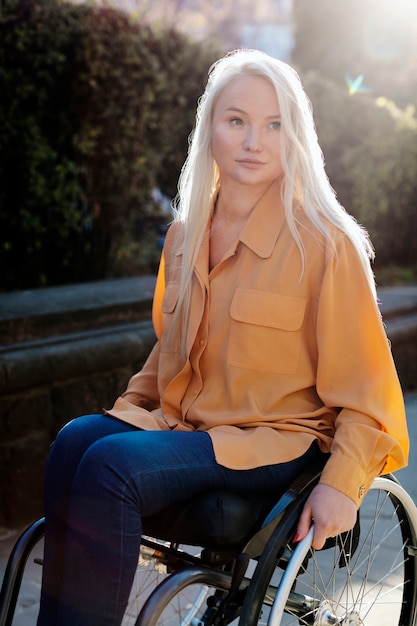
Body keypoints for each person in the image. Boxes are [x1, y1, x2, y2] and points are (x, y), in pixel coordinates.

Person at [37, 49, 409, 626]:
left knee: (110, 465)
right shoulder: (186, 234)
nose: (253, 141)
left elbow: (368, 394)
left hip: (274, 441)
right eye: (236, 121)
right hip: (190, 428)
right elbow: (169, 352)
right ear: (210, 128)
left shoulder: (326, 245)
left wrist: (342, 485)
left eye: (274, 125)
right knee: (73, 443)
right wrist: (129, 413)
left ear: (296, 135)